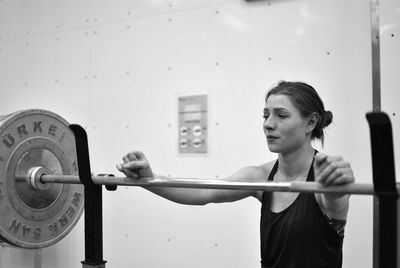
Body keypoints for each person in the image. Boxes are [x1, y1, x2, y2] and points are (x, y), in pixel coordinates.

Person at [117, 81, 355, 268]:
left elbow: (334, 200)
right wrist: (148, 178)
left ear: (310, 122)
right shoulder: (260, 177)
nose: (268, 124)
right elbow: (204, 192)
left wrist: (337, 185)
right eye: (266, 115)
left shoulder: (324, 179)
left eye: (281, 115)